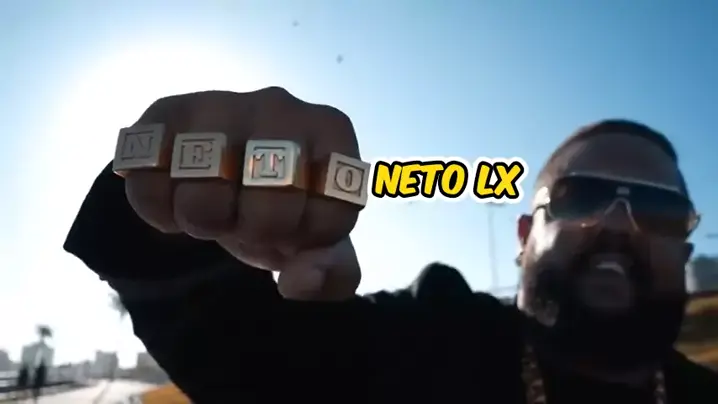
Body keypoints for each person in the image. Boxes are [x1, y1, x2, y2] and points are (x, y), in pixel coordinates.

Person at [63, 88, 718, 403]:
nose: (618, 224)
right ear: (524, 236)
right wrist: (174, 204)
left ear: (688, 251)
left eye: (658, 210)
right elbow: (252, 363)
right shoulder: (430, 340)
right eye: (580, 197)